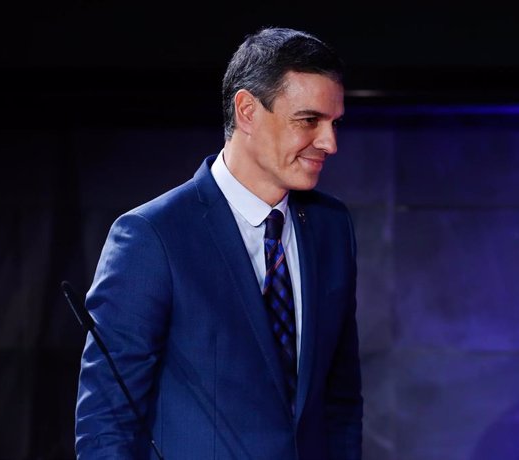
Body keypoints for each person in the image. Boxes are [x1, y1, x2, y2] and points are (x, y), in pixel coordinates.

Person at [74, 26, 363, 460]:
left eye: (334, 123)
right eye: (309, 120)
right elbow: (105, 424)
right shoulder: (152, 236)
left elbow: (340, 401)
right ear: (246, 110)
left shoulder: (331, 227)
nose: (329, 142)